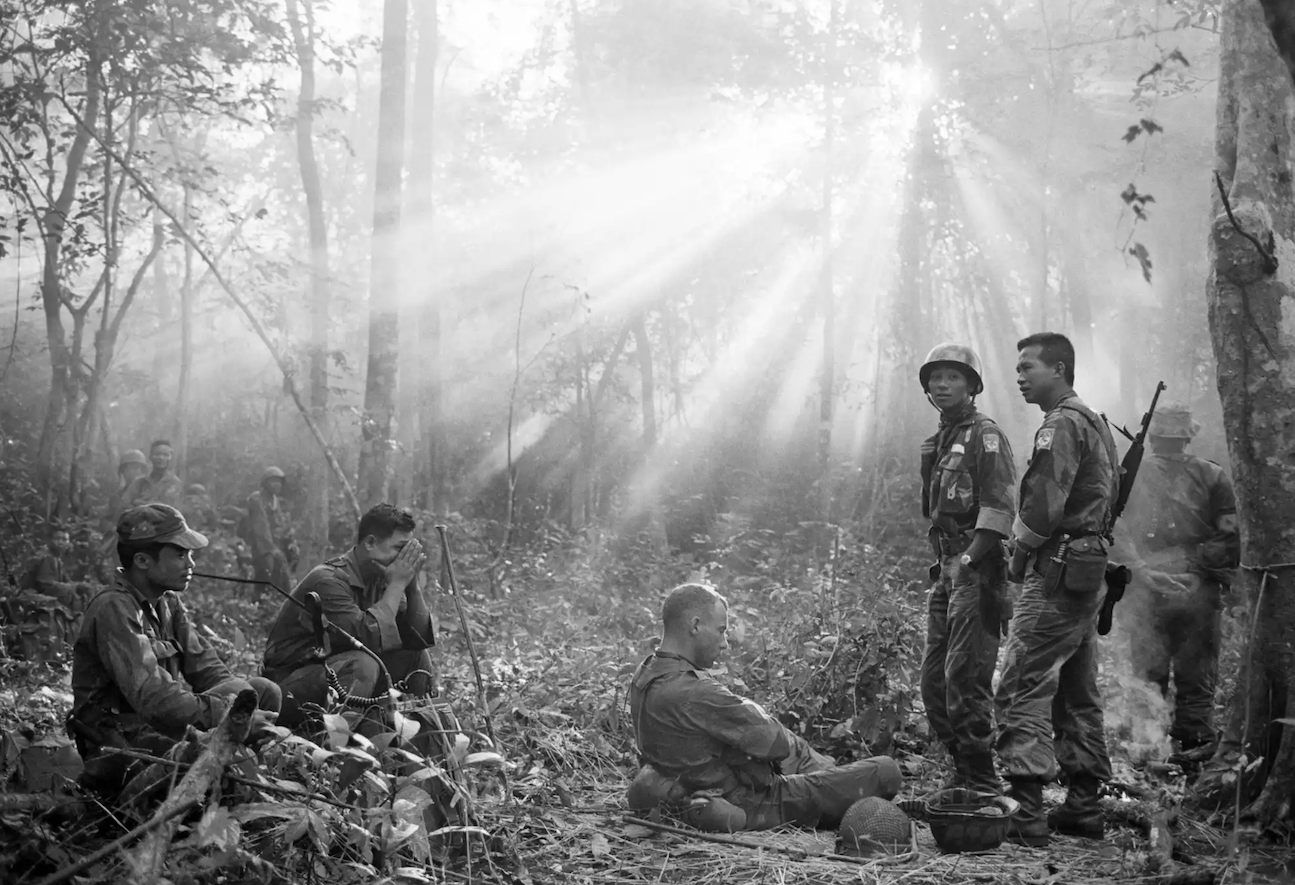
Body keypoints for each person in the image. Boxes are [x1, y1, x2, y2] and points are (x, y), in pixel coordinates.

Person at [627, 583, 902, 832]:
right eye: (721, 631)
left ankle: (829, 775)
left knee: (808, 759)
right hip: (754, 801)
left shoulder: (646, 673)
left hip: (693, 789)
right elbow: (777, 743)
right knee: (886, 771)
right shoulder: (695, 690)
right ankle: (832, 780)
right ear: (695, 625)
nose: (724, 643)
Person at [67, 504, 281, 794]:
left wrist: (240, 704)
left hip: (156, 726)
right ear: (143, 561)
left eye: (190, 554)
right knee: (212, 757)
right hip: (120, 741)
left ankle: (240, 778)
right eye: (181, 554)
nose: (191, 563)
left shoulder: (167, 602)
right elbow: (154, 698)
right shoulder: (113, 608)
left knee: (262, 691)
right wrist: (230, 717)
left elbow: (206, 667)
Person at [999, 332, 1120, 845]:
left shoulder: (1061, 425)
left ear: (1060, 369)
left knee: (1022, 679)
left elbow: (1045, 506)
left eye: (1029, 367)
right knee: (1076, 688)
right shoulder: (1094, 421)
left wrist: (1017, 552)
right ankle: (1084, 805)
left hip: (1058, 566)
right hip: (1087, 568)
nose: (1020, 375)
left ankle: (1027, 812)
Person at [917, 343, 1017, 795]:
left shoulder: (985, 436)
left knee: (967, 675)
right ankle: (963, 769)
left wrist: (969, 561)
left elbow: (999, 511)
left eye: (953, 377)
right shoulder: (939, 440)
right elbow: (934, 511)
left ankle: (982, 781)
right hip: (949, 567)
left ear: (973, 385)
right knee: (933, 680)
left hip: (977, 570)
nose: (942, 384)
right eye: (935, 377)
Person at [1114, 403, 1239, 759]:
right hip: (1195, 585)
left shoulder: (1129, 474)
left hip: (1147, 583)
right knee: (1196, 671)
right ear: (1188, 436)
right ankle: (1192, 745)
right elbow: (1229, 536)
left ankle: (1148, 746)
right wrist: (1195, 570)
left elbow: (1112, 527)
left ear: (1153, 436)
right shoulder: (1213, 475)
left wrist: (1141, 568)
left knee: (1147, 671)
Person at [261, 504, 436, 729]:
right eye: (399, 549)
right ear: (370, 543)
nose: (404, 560)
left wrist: (411, 586)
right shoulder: (329, 580)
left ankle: (411, 742)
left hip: (336, 678)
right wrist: (398, 583)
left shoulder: (382, 577)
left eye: (408, 553)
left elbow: (419, 638)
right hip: (285, 690)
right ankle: (336, 750)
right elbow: (367, 637)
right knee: (363, 664)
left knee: (416, 656)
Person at [244, 467, 298, 593]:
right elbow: (260, 528)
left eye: (279, 481)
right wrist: (272, 550)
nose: (277, 484)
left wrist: (290, 542)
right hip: (261, 548)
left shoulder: (274, 501)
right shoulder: (257, 499)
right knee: (268, 579)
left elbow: (279, 525)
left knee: (279, 581)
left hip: (274, 546)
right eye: (273, 481)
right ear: (265, 483)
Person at [23, 525, 94, 608]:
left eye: (64, 539)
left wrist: (79, 586)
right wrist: (72, 587)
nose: (60, 542)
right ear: (50, 540)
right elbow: (45, 584)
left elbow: (66, 580)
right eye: (57, 539)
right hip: (33, 596)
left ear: (69, 543)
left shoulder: (57, 559)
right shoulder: (47, 556)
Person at [121, 440, 184, 510]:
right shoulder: (139, 483)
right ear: (150, 456)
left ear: (171, 458)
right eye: (157, 454)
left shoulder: (177, 485)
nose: (161, 458)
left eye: (166, 455)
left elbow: (178, 512)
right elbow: (124, 505)